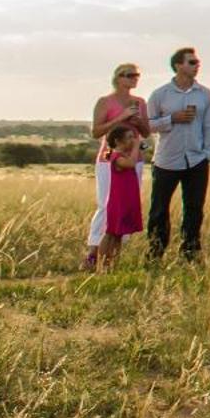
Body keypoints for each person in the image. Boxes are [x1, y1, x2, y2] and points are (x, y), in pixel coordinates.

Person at [146, 46, 210, 261]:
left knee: (194, 209)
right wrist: (171, 119)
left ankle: (190, 252)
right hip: (167, 159)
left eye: (197, 63)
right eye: (192, 62)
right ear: (178, 65)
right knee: (159, 209)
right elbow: (148, 126)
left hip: (196, 159)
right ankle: (156, 252)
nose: (197, 66)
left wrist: (208, 153)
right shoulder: (160, 94)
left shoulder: (204, 94)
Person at [84, 62, 152, 270]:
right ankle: (93, 252)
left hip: (134, 158)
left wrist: (138, 121)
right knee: (106, 204)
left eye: (136, 75)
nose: (134, 78)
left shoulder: (139, 102)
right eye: (129, 75)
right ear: (118, 78)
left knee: (126, 205)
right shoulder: (105, 102)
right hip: (110, 159)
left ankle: (113, 258)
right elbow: (96, 132)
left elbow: (147, 132)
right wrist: (121, 118)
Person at [96, 126, 144, 271]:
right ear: (118, 141)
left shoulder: (122, 155)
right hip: (118, 202)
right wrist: (136, 147)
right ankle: (103, 264)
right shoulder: (116, 157)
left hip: (126, 200)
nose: (132, 140)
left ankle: (114, 264)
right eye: (129, 137)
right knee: (110, 233)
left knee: (119, 234)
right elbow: (130, 164)